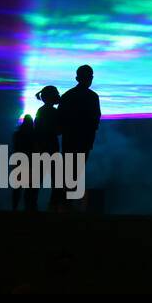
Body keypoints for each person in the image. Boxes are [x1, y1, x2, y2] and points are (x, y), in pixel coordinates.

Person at [58, 64, 101, 210]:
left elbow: (61, 120)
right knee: (76, 172)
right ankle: (68, 203)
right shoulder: (93, 97)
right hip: (84, 141)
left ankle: (65, 203)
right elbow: (95, 120)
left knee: (68, 172)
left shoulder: (67, 96)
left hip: (70, 140)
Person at [32, 86, 61, 210]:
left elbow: (37, 131)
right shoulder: (53, 112)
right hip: (50, 148)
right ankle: (53, 206)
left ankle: (32, 205)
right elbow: (58, 130)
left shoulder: (41, 111)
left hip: (41, 148)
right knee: (57, 181)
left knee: (38, 179)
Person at [10, 115, 37, 212]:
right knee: (29, 189)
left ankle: (15, 208)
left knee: (17, 188)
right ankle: (29, 208)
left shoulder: (17, 134)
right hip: (31, 163)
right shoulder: (34, 135)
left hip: (19, 162)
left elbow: (16, 148)